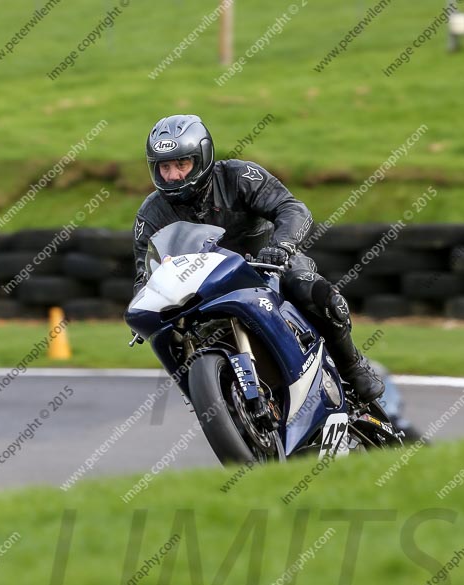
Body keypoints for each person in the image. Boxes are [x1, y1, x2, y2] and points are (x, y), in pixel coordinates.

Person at [132, 114, 384, 402]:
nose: (173, 175)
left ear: (202, 159)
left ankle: (352, 366)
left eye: (181, 164)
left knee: (310, 288)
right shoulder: (151, 214)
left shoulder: (238, 177)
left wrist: (282, 246)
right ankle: (214, 402)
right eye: (165, 167)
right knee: (170, 338)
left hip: (267, 267)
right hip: (202, 292)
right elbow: (145, 274)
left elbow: (292, 209)